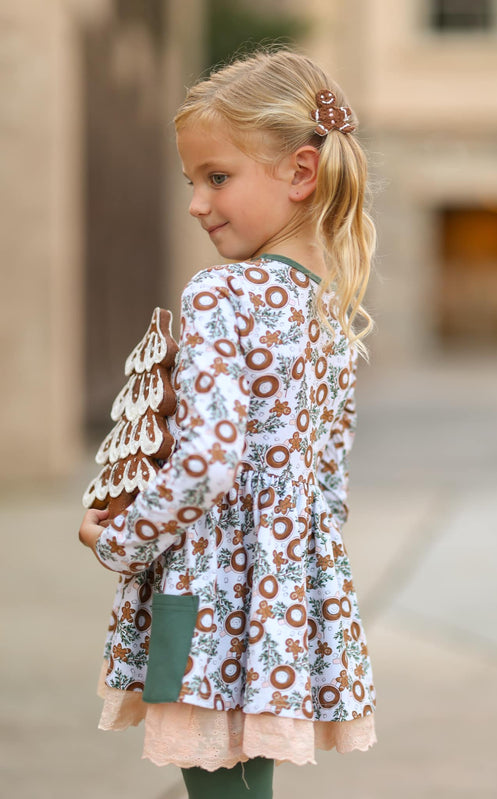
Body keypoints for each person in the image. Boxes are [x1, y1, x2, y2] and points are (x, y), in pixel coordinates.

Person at [79, 48, 377, 799]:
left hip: (204, 601)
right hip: (283, 609)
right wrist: (294, 581)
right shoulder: (327, 313)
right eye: (191, 182)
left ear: (300, 174)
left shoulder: (221, 292)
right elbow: (327, 483)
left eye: (217, 178)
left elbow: (206, 464)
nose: (196, 204)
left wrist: (119, 536)